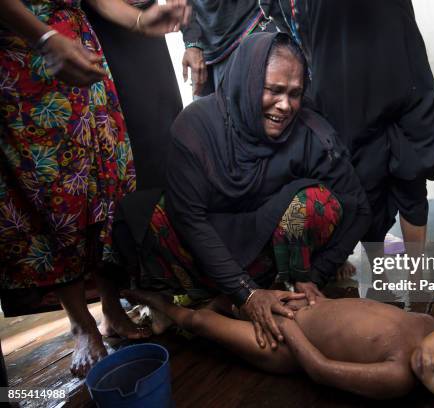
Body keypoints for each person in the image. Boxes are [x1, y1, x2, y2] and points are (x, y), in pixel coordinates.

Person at [115, 32, 371, 349]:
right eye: (274, 90)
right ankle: (209, 297)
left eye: (295, 94)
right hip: (203, 249)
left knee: (318, 203)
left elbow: (359, 206)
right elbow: (189, 219)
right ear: (247, 81)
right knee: (137, 219)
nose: (285, 105)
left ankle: (281, 288)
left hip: (267, 251)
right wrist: (246, 293)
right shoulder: (196, 125)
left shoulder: (310, 132)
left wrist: (316, 275)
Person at [0, 0, 189, 376]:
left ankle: (111, 305)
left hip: (81, 51)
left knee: (108, 183)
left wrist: (139, 18)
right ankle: (79, 322)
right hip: (24, 56)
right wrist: (45, 37)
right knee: (54, 197)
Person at [124, 288, 434, 405]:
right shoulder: (422, 321)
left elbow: (321, 368)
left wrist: (288, 328)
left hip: (284, 346)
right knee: (230, 299)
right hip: (303, 312)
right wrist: (321, 301)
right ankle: (186, 304)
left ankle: (151, 303)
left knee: (200, 322)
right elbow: (357, 313)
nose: (432, 360)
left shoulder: (397, 377)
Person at [271, 0, 434, 268]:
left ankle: (417, 280)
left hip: (395, 58)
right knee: (362, 180)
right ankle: (379, 277)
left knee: (413, 175)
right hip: (339, 67)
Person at [84, 0, 184, 191]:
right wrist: (139, 20)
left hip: (146, 22)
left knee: (167, 122)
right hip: (110, 31)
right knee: (137, 127)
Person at [181, 0, 275, 96]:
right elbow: (177, 4)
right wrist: (192, 42)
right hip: (204, 47)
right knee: (204, 108)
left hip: (250, 26)